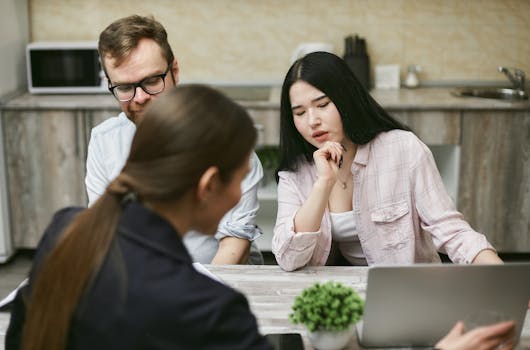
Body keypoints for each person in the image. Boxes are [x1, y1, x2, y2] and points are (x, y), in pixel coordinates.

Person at [6, 85, 272, 350]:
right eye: (240, 179)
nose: (240, 195)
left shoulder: (63, 229)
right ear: (209, 185)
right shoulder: (214, 310)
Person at [272, 51, 503, 271]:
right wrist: (323, 183)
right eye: (300, 113)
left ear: (346, 99)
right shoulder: (294, 173)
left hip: (406, 289)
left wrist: (508, 281)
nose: (312, 121)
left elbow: (451, 231)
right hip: (336, 291)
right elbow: (289, 258)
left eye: (322, 105)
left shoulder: (404, 149)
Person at [86, 14, 264, 264]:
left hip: (219, 280)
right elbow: (103, 233)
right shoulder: (104, 141)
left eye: (151, 81)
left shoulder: (226, 141)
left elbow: (235, 242)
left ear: (175, 71)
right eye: (124, 87)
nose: (139, 98)